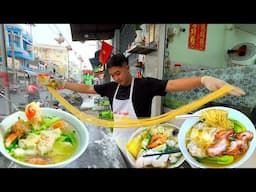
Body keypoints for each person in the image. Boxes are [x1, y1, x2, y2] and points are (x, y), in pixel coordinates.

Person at [40, 53, 245, 165]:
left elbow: (172, 85)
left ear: (127, 67)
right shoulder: (111, 88)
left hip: (143, 140)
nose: (116, 78)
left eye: (119, 73)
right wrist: (62, 84)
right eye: (113, 75)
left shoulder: (145, 85)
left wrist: (202, 80)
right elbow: (86, 88)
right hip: (118, 139)